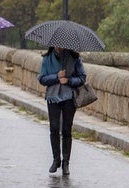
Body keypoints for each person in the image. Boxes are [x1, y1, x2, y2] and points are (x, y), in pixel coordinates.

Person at [38, 47, 86, 175]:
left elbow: (82, 78)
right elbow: (42, 79)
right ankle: (56, 159)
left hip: (69, 97)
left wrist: (69, 81)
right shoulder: (47, 59)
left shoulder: (74, 58)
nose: (58, 46)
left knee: (66, 129)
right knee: (54, 128)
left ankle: (66, 162)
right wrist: (57, 77)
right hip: (52, 97)